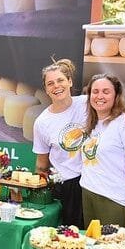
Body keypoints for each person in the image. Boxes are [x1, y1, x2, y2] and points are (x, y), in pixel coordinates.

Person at [80, 74, 125, 228]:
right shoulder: (92, 123)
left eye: (106, 91)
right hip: (89, 194)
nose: (99, 96)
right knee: (91, 248)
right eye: (95, 91)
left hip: (114, 199)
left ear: (116, 95)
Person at [33, 59, 88, 228]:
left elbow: (115, 111)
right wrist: (38, 191)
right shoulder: (42, 122)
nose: (56, 86)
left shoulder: (88, 103)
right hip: (66, 187)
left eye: (60, 80)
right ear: (46, 90)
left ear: (70, 81)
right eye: (50, 83)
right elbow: (42, 164)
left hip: (94, 181)